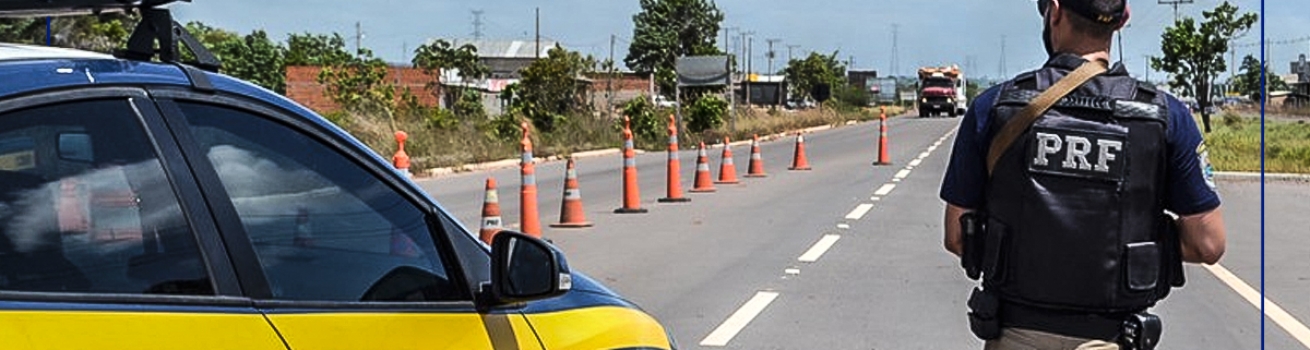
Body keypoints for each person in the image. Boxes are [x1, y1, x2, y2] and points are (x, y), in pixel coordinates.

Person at [938, 0, 1227, 349]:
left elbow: (957, 235)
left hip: (1016, 333)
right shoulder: (1165, 117)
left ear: (1055, 11)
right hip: (1114, 336)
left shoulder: (995, 107)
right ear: (1124, 18)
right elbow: (1208, 243)